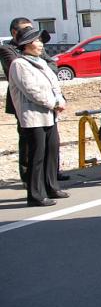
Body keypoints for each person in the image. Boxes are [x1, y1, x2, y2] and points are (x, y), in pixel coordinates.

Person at [7, 27, 69, 206]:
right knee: (37, 155)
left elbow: (54, 83)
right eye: (37, 41)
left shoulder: (40, 61)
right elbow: (32, 90)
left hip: (50, 114)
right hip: (33, 116)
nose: (41, 44)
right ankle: (35, 194)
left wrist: (60, 99)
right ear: (26, 44)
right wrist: (54, 103)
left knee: (51, 151)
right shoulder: (20, 64)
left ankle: (51, 187)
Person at [0, 18, 61, 186]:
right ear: (16, 33)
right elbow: (27, 82)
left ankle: (51, 178)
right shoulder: (9, 50)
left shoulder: (39, 55)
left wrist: (57, 100)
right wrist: (53, 102)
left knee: (50, 143)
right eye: (28, 31)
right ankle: (30, 180)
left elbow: (53, 66)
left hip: (49, 105)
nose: (37, 39)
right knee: (31, 146)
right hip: (27, 106)